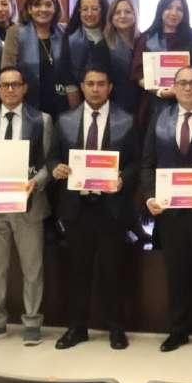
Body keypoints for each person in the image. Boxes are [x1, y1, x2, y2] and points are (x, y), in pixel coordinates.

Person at [49, 66, 139, 350]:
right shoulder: (65, 120)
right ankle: (77, 328)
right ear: (82, 87)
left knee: (113, 271)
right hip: (77, 207)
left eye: (101, 84)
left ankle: (116, 328)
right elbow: (52, 157)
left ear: (110, 87)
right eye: (90, 84)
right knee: (78, 272)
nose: (96, 89)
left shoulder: (127, 120)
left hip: (111, 208)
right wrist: (56, 168)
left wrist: (125, 178)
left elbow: (137, 162)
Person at [0, 66, 53, 346]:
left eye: (16, 84)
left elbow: (49, 163)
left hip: (28, 203)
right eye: (5, 85)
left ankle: (32, 323)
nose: (10, 89)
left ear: (25, 88)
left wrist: (37, 182)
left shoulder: (42, 120)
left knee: (32, 269)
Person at [141, 66, 192, 353]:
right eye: (183, 83)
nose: (188, 88)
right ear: (174, 87)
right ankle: (178, 330)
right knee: (176, 273)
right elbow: (147, 164)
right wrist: (150, 197)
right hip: (170, 214)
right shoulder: (158, 119)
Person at [130, 0, 192, 126]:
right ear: (161, 10)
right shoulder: (147, 38)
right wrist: (161, 92)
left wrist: (191, 89)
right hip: (154, 105)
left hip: (190, 104)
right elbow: (138, 74)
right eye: (169, 7)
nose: (174, 13)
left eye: (179, 9)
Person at [1, 0, 79, 120]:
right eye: (37, 5)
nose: (43, 9)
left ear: (55, 8)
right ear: (29, 9)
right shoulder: (16, 33)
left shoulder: (65, 32)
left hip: (62, 105)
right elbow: (7, 69)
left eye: (48, 5)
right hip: (28, 106)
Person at [65, 0, 112, 84]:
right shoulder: (69, 38)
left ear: (103, 10)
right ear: (79, 11)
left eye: (94, 9)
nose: (89, 14)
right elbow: (65, 71)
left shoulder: (113, 36)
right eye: (85, 9)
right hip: (77, 90)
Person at [104, 0, 141, 115]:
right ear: (111, 17)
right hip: (115, 106)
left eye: (128, 12)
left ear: (135, 15)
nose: (122, 16)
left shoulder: (145, 41)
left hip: (142, 104)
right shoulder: (102, 44)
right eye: (117, 12)